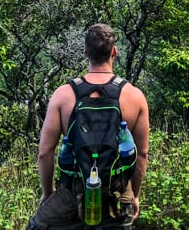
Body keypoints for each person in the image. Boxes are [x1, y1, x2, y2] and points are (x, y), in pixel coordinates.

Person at [29, 23, 149, 229]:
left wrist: (48, 194)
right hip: (118, 196)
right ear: (114, 52)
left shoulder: (63, 94)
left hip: (71, 193)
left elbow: (45, 153)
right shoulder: (134, 96)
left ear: (86, 52)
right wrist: (134, 195)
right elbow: (142, 154)